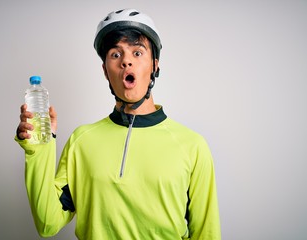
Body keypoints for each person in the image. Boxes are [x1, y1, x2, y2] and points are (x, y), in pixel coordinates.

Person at [16, 8, 221, 240]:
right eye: (115, 54)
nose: (126, 62)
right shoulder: (82, 141)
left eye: (137, 52)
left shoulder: (192, 146)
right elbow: (47, 223)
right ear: (105, 71)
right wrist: (40, 146)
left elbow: (207, 234)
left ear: (155, 65)